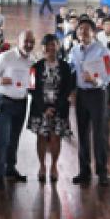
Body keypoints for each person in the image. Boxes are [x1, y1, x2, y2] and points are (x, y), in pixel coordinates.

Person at [69, 19, 110, 186]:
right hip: (81, 95)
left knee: (100, 135)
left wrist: (95, 79)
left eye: (86, 29)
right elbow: (71, 71)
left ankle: (102, 172)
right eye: (80, 29)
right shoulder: (74, 50)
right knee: (82, 134)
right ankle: (84, 171)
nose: (82, 32)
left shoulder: (103, 51)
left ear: (93, 32)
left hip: (98, 94)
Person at [0, 29, 35, 190]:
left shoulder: (32, 60)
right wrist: (0, 80)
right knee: (3, 139)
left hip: (21, 103)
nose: (28, 45)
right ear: (18, 41)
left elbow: (32, 81)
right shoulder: (6, 56)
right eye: (26, 41)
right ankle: (0, 174)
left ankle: (10, 168)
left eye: (31, 42)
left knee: (14, 138)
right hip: (5, 102)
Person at [28, 35, 73, 183]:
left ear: (58, 47)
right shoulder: (34, 67)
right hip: (40, 109)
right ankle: (42, 166)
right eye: (47, 45)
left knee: (55, 137)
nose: (50, 48)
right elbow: (32, 89)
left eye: (53, 45)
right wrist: (44, 108)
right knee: (41, 137)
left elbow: (68, 88)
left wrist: (55, 107)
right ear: (43, 48)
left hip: (59, 109)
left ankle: (54, 166)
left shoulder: (65, 66)